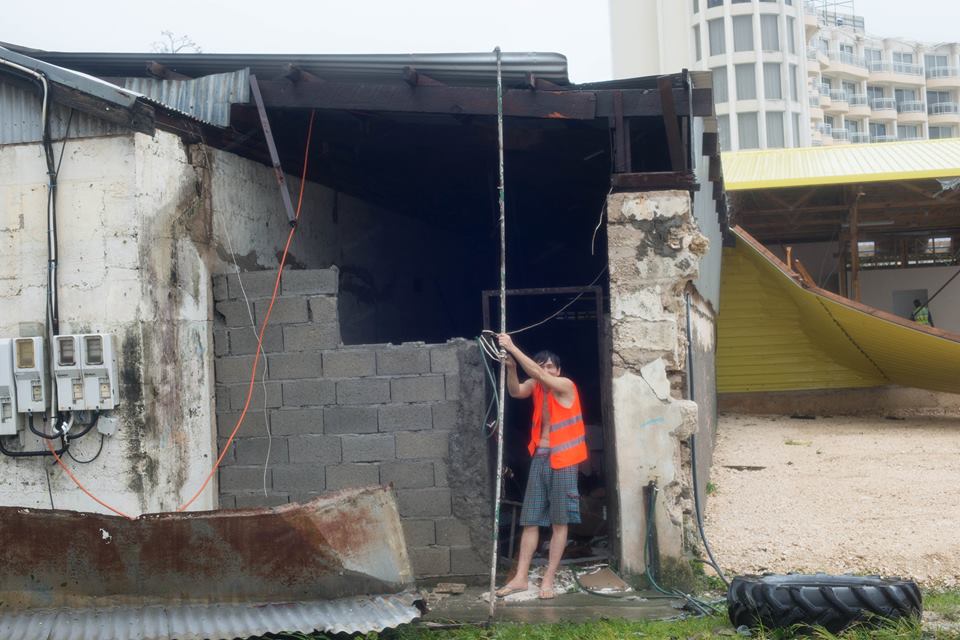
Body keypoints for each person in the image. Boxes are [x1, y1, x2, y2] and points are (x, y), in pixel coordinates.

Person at [494, 333, 588, 600]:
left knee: (560, 522)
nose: (545, 370)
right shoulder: (536, 386)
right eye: (542, 365)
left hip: (564, 460)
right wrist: (512, 368)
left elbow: (535, 373)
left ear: (558, 371)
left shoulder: (565, 385)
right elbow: (515, 391)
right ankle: (521, 578)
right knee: (531, 519)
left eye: (550, 367)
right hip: (541, 456)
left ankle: (548, 579)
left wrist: (512, 347)